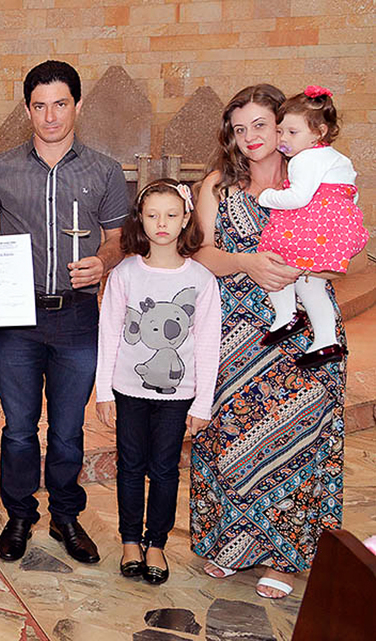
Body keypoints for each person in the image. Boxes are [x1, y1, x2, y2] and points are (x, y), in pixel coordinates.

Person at [0, 60, 128, 564]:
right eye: (39, 105)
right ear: (27, 109)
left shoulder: (104, 170)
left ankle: (67, 517)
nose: (50, 116)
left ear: (76, 105)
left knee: (69, 428)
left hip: (76, 317)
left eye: (60, 104)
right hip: (17, 317)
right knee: (18, 426)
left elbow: (118, 239)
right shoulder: (0, 169)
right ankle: (20, 514)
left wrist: (103, 261)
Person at [190, 84, 346, 600]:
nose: (251, 137)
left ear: (283, 126)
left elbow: (355, 255)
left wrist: (308, 266)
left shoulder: (316, 175)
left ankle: (285, 554)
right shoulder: (218, 185)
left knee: (296, 443)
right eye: (239, 128)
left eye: (261, 125)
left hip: (304, 331)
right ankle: (229, 543)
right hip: (237, 333)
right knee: (230, 437)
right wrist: (247, 263)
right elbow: (204, 255)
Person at [94, 179, 220, 586]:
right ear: (140, 220)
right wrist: (103, 391)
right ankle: (130, 540)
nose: (161, 224)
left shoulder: (201, 279)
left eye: (170, 215)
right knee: (130, 466)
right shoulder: (126, 273)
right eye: (152, 215)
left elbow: (206, 343)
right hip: (128, 389)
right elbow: (110, 332)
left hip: (177, 396)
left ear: (186, 218)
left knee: (165, 469)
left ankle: (156, 544)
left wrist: (202, 404)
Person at [255, 86, 366, 368]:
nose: (283, 139)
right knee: (311, 283)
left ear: (319, 132)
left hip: (315, 224)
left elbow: (298, 197)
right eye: (280, 131)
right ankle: (327, 341)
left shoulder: (304, 159)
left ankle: (286, 315)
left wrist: (268, 196)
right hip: (338, 225)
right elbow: (350, 191)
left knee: (274, 254)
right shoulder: (335, 157)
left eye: (293, 132)